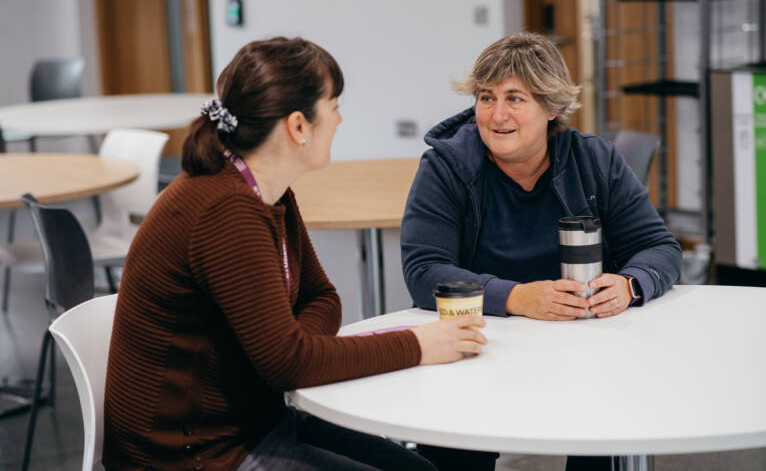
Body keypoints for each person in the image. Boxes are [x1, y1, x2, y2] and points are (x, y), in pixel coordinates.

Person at [103, 36, 486, 471]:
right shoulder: (226, 210)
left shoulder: (268, 191)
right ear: (299, 126)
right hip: (191, 454)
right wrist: (417, 345)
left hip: (250, 422)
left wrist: (295, 347)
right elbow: (289, 364)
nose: (340, 119)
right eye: (334, 105)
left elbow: (321, 298)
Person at [400, 32, 682, 471]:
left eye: (515, 98)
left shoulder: (596, 162)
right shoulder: (446, 167)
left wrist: (630, 284)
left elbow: (658, 246)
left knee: (600, 440)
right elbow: (423, 270)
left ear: (551, 108)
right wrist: (516, 297)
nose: (496, 115)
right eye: (486, 97)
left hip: (583, 347)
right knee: (449, 455)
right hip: (482, 343)